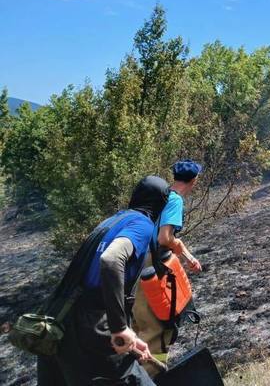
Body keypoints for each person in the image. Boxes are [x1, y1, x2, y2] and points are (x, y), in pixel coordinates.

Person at [37, 175, 171, 385]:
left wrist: (132, 338)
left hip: (60, 323)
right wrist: (119, 328)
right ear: (160, 205)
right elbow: (111, 259)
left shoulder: (111, 221)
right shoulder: (142, 224)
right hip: (92, 327)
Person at [132, 159, 203, 377]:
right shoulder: (175, 201)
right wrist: (184, 253)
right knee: (157, 328)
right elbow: (165, 238)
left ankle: (133, 374)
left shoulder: (159, 196)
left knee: (138, 325)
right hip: (152, 267)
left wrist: (188, 257)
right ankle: (152, 377)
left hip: (135, 264)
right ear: (193, 180)